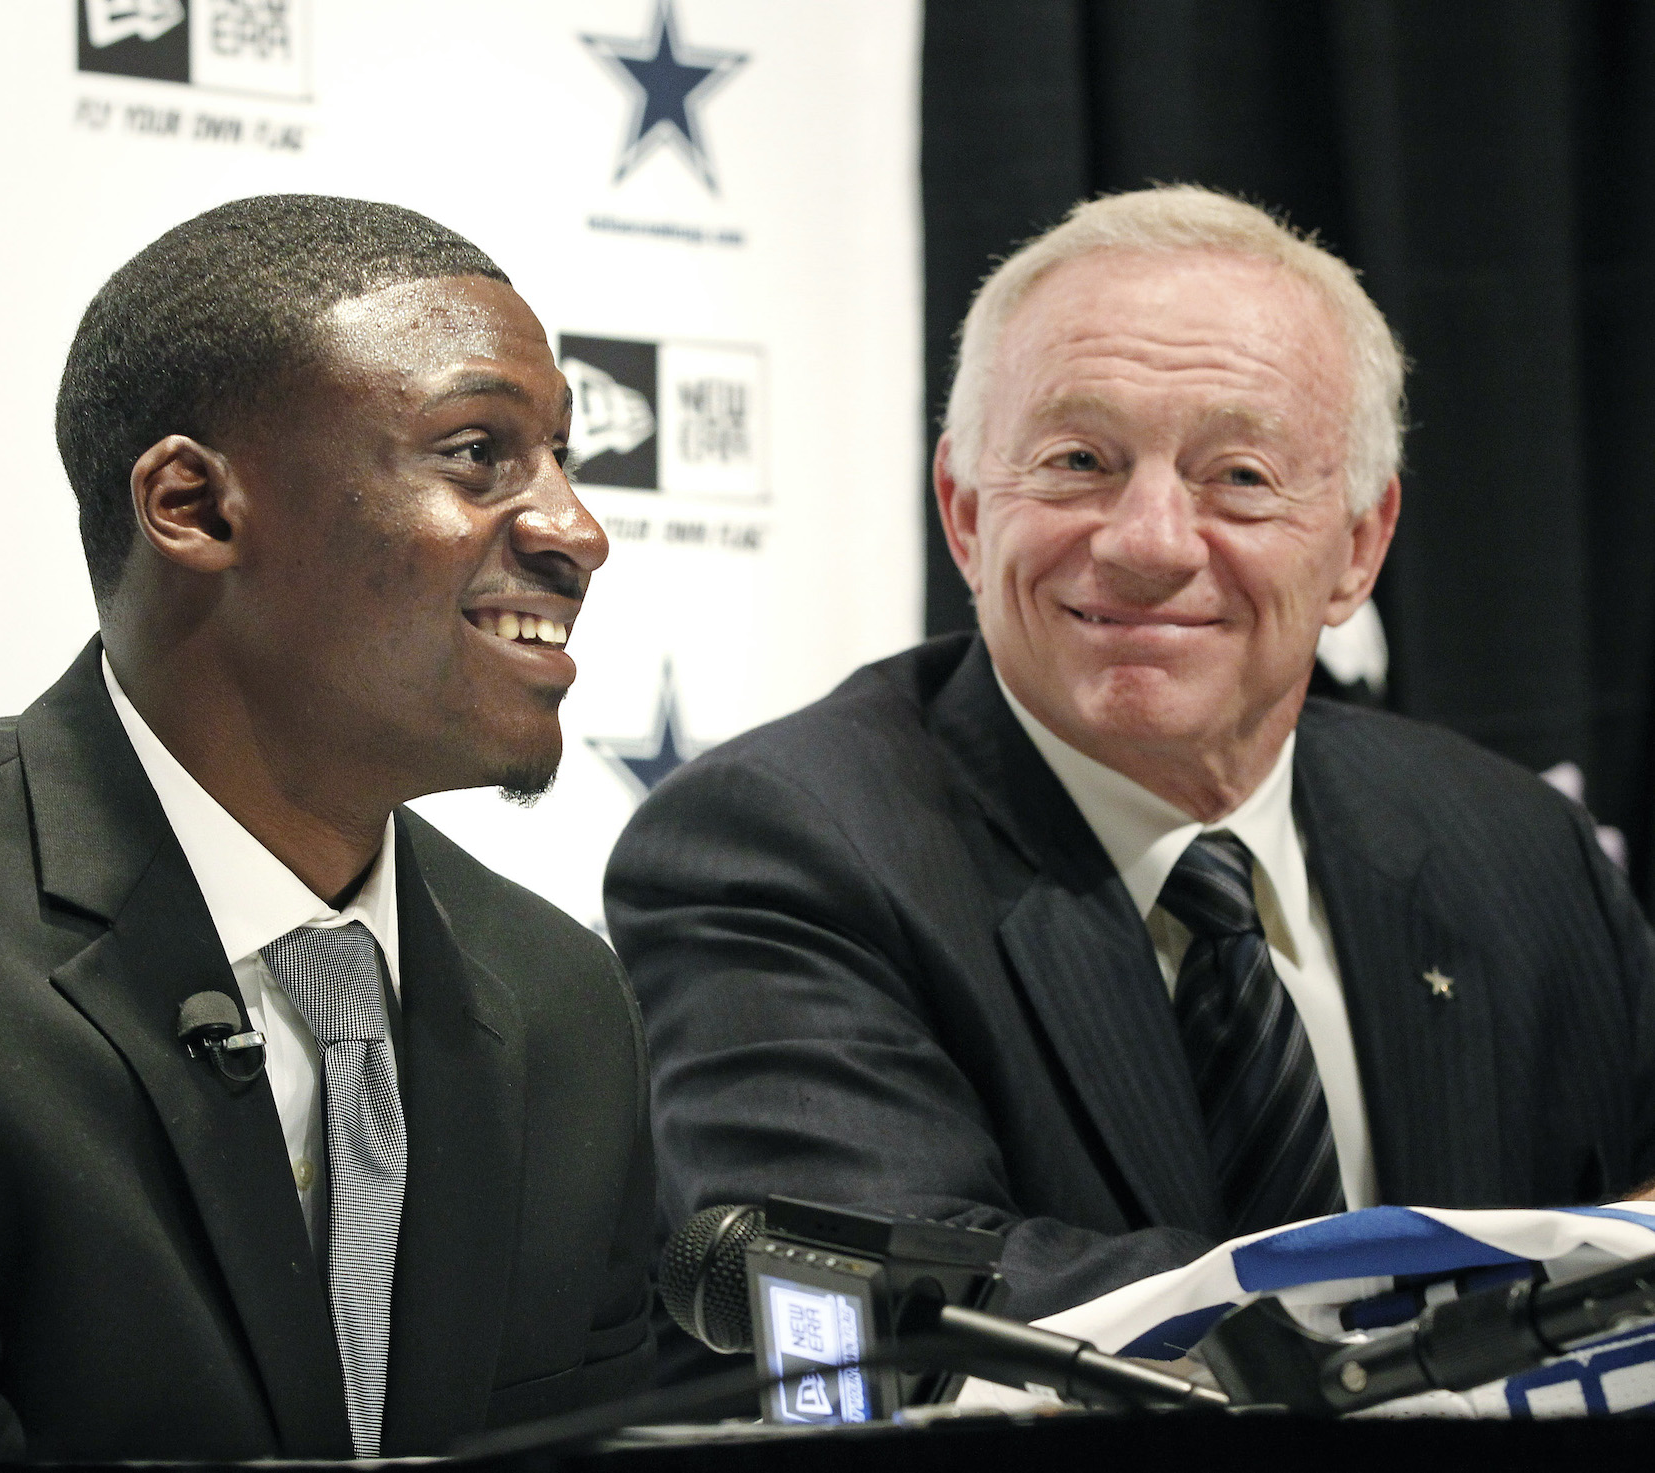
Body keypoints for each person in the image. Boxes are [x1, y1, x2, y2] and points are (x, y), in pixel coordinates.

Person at [605, 185, 1655, 1343]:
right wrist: (1512, 1302)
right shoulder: (779, 845)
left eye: (1238, 476)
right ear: (962, 513)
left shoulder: (1512, 842)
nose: (1148, 541)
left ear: (1357, 547)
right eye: (1077, 459)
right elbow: (885, 1310)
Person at [0, 195, 652, 1460]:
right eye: (476, 452)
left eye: (562, 457)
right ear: (192, 507)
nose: (576, 530)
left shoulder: (559, 997)